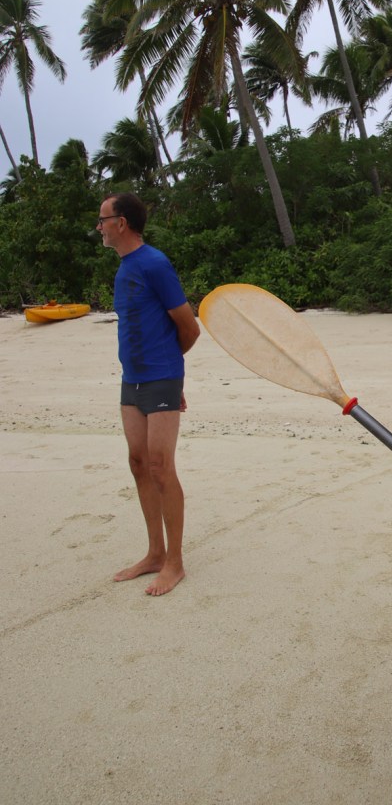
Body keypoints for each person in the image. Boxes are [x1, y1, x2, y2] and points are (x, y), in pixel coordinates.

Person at [98, 192, 200, 596]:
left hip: (160, 377)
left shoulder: (155, 263)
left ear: (121, 223)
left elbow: (189, 327)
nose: (100, 227)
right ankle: (155, 553)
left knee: (160, 466)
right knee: (138, 463)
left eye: (103, 220)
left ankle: (175, 563)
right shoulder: (124, 269)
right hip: (132, 380)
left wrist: (171, 376)